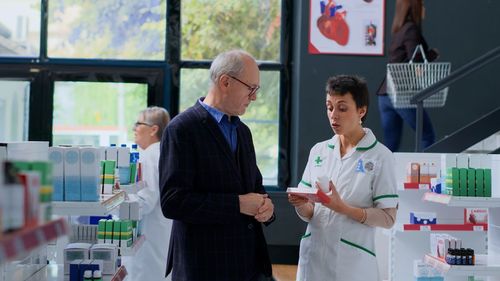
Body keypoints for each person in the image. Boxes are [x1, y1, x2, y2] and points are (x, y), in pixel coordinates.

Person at [159, 49, 275, 281]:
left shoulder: (242, 131)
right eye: (251, 88)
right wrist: (237, 204)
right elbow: (173, 202)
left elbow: (255, 187)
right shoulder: (182, 129)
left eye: (256, 90)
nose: (254, 97)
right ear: (225, 82)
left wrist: (267, 208)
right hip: (203, 267)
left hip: (249, 266)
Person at [289, 75, 399, 281]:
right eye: (329, 107)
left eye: (342, 108)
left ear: (361, 111)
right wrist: (301, 204)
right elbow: (310, 213)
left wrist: (343, 208)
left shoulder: (381, 157)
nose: (333, 115)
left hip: (352, 264)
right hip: (313, 258)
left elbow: (388, 218)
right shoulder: (319, 151)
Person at [376, 0, 439, 151]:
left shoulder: (400, 29)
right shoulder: (411, 29)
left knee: (390, 147)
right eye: (422, 5)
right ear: (414, 8)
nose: (424, 8)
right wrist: (433, 54)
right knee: (427, 136)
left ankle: (382, 175)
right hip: (401, 94)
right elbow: (416, 62)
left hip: (385, 94)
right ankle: (423, 174)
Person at [123, 106, 172, 281]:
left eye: (138, 123)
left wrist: (118, 198)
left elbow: (145, 202)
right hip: (159, 235)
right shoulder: (162, 153)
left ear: (153, 129)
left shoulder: (149, 156)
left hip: (148, 240)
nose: (134, 128)